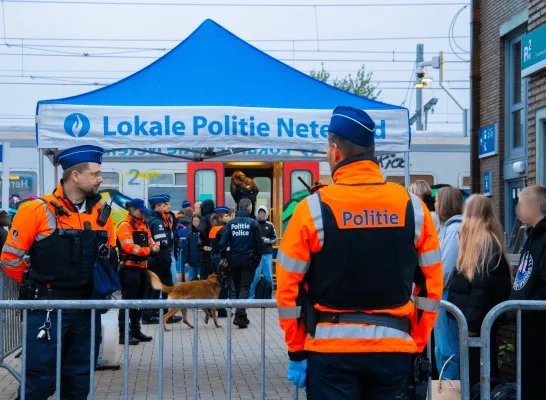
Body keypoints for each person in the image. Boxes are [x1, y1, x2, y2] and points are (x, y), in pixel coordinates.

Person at [276, 106, 443, 399]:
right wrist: (416, 339)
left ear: (336, 152)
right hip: (393, 350)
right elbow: (431, 285)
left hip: (330, 354)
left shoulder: (312, 209)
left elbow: (288, 289)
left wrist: (296, 349)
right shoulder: (412, 207)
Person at [1, 145, 116, 400]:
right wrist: (34, 286)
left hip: (87, 309)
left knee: (78, 380)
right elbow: (10, 258)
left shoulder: (102, 213)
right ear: (75, 175)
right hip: (47, 309)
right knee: (39, 381)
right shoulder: (35, 210)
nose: (100, 179)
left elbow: (108, 256)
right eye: (96, 173)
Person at [448, 194, 511, 388]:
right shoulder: (488, 242)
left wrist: (469, 321)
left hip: (476, 324)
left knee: (478, 375)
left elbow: (481, 289)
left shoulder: (483, 245)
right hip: (476, 322)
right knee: (477, 374)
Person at [509, 185, 546, 400]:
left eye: (521, 203)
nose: (517, 209)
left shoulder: (542, 238)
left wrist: (527, 309)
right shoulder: (531, 236)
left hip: (538, 324)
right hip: (527, 322)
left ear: (534, 206)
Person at [116, 198, 159, 345]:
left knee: (139, 301)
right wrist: (149, 250)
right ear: (132, 210)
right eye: (140, 211)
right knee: (127, 301)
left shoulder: (143, 225)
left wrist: (153, 246)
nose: (143, 214)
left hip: (142, 268)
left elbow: (151, 240)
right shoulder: (125, 226)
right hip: (129, 268)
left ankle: (136, 330)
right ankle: (123, 334)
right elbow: (129, 247)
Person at [433, 186, 464, 379]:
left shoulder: (453, 230)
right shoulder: (449, 228)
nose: (434, 205)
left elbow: (446, 268)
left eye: (437, 201)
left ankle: (450, 392)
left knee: (447, 349)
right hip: (444, 294)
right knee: (442, 348)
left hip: (446, 294)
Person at [220, 198, 263, 328]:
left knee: (237, 287)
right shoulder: (253, 223)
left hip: (233, 260)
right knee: (245, 287)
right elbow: (259, 244)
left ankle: (242, 319)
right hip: (248, 260)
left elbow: (222, 243)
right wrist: (258, 257)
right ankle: (240, 312)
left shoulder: (231, 223)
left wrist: (225, 257)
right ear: (249, 208)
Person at [142, 194, 182, 325]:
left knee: (161, 287)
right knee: (158, 288)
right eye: (164, 205)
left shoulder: (157, 219)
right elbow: (162, 245)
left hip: (156, 260)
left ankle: (162, 314)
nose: (167, 207)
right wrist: (166, 261)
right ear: (157, 206)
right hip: (158, 260)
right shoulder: (157, 222)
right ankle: (152, 315)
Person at [249, 205, 277, 299]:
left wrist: (268, 240)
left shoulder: (270, 225)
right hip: (256, 254)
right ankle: (251, 297)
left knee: (268, 275)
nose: (261, 214)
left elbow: (274, 238)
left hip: (267, 253)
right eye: (260, 213)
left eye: (263, 213)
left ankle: (268, 296)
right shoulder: (253, 224)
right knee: (255, 276)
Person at [208, 206, 231, 317]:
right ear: (221, 218)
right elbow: (225, 244)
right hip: (222, 259)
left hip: (213, 258)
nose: (228, 217)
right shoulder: (223, 229)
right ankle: (221, 310)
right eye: (227, 216)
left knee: (216, 284)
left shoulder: (213, 229)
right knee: (224, 284)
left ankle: (212, 308)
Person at [198, 199, 216, 279]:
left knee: (205, 279)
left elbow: (201, 230)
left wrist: (203, 243)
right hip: (216, 250)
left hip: (206, 250)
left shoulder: (204, 218)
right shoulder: (216, 217)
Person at [176, 208, 193, 282]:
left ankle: (179, 287)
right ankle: (187, 288)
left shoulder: (179, 224)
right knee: (187, 270)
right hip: (188, 249)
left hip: (179, 249)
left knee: (179, 270)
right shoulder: (191, 225)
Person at [184, 214, 202, 281]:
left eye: (197, 220)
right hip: (192, 262)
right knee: (191, 281)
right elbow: (187, 248)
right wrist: (186, 261)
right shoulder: (190, 234)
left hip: (200, 261)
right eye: (194, 220)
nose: (195, 222)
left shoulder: (203, 233)